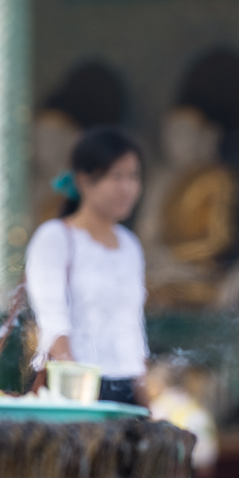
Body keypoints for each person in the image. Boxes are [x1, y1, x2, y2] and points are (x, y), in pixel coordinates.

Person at [26, 126, 148, 405]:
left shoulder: (130, 245)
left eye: (134, 176)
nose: (127, 188)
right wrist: (79, 390)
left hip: (124, 384)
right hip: (75, 384)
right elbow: (52, 321)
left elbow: (133, 330)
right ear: (84, 181)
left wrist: (145, 399)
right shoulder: (55, 237)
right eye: (116, 177)